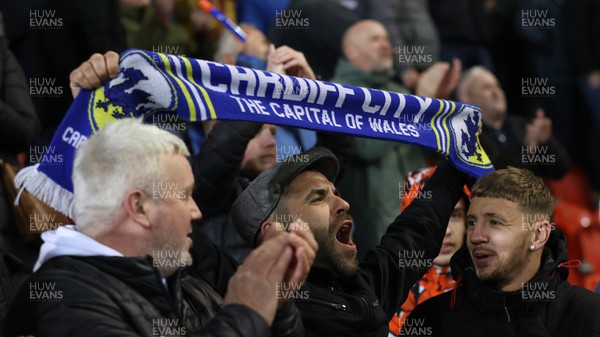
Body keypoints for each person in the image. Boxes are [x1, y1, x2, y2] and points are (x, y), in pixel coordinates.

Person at [5, 116, 317, 335]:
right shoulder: (63, 298)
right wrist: (246, 309)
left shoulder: (183, 281)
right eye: (185, 196)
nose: (196, 212)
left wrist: (277, 304)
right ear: (139, 207)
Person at [231, 147, 470, 336]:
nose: (343, 204)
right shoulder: (262, 314)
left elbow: (417, 229)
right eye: (318, 198)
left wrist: (458, 160)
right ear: (275, 231)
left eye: (337, 193)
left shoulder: (365, 288)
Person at [406, 167, 600, 336]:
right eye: (472, 222)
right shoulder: (431, 319)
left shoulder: (585, 315)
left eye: (495, 222)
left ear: (538, 235)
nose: (475, 236)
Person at [331, 20, 460, 257]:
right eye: (375, 39)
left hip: (419, 210)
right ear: (351, 51)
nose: (385, 44)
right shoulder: (338, 93)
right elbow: (366, 147)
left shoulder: (400, 92)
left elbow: (430, 151)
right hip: (375, 222)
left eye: (387, 39)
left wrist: (439, 112)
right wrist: (417, 106)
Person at [388, 167, 469, 336]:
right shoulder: (385, 293)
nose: (446, 231)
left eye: (455, 216)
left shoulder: (490, 289)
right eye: (431, 218)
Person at [457, 66, 571, 179]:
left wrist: (546, 142)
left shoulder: (524, 126)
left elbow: (561, 170)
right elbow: (491, 177)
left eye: (498, 86)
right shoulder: (467, 137)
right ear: (465, 98)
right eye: (486, 87)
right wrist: (526, 150)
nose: (496, 92)